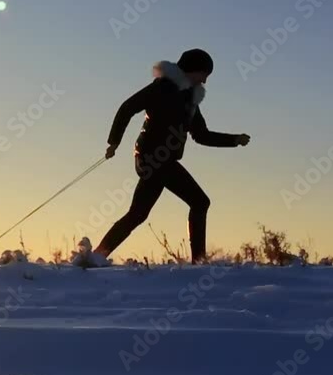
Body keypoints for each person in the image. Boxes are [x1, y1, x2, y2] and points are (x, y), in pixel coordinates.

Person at [96, 49, 251, 264]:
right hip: (151, 158)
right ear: (191, 70)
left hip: (163, 162)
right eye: (203, 74)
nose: (205, 80)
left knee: (138, 214)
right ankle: (199, 261)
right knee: (199, 202)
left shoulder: (190, 99)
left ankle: (96, 255)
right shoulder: (162, 87)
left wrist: (234, 140)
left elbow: (201, 135)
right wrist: (114, 142)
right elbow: (127, 108)